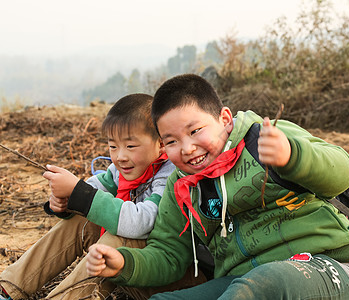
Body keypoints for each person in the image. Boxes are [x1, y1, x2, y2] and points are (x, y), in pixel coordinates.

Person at [87, 74, 349, 299]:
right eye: (171, 141)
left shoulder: (265, 138)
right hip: (238, 283)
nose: (187, 148)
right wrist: (124, 264)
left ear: (224, 118)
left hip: (325, 267)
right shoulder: (180, 186)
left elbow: (342, 172)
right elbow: (169, 256)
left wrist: (292, 157)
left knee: (260, 285)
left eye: (195, 131)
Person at [0, 94, 203, 300]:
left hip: (171, 278)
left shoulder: (170, 174)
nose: (120, 156)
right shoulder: (120, 170)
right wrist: (67, 202)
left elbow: (142, 222)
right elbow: (95, 188)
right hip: (131, 270)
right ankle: (10, 287)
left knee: (117, 238)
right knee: (83, 219)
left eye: (130, 146)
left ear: (160, 143)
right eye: (113, 146)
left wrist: (82, 195)